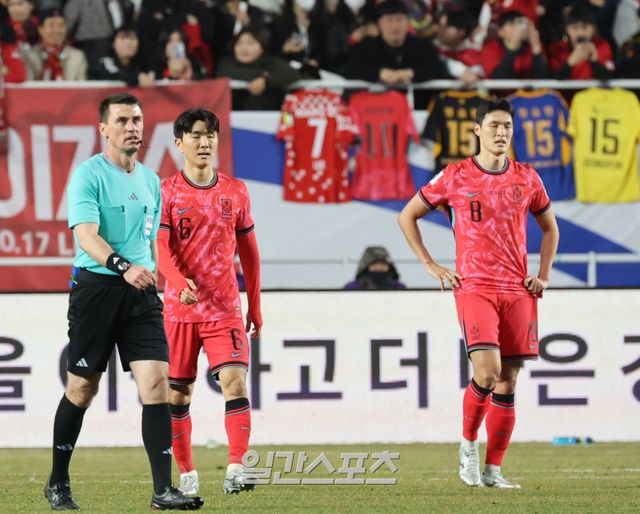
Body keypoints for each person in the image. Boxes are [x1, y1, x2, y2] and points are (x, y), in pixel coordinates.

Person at [44, 93, 204, 511]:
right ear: (104, 129)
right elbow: (86, 235)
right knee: (82, 388)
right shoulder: (88, 175)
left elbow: (153, 244)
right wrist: (123, 266)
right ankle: (58, 481)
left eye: (137, 119)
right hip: (97, 291)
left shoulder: (151, 181)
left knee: (157, 384)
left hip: (141, 295)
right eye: (122, 120)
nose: (132, 127)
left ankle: (162, 491)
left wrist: (166, 281)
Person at [398, 98, 559, 489]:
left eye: (507, 126)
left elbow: (550, 228)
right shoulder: (455, 176)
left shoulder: (527, 177)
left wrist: (543, 275)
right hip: (475, 287)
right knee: (487, 373)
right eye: (494, 126)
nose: (501, 133)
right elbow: (407, 215)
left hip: (517, 290)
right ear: (478, 130)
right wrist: (430, 264)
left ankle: (493, 471)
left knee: (509, 381)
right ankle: (468, 444)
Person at [157, 108, 262, 496]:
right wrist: (176, 280)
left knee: (235, 381)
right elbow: (159, 248)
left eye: (211, 135)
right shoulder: (166, 191)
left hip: (224, 309)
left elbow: (250, 252)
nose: (205, 143)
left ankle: (237, 467)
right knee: (177, 394)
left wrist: (255, 304)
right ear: (179, 142)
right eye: (196, 136)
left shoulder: (236, 191)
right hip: (179, 310)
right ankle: (186, 472)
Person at [342, 0, 449, 85]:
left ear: (408, 22)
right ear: (379, 24)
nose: (395, 26)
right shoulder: (367, 47)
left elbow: (438, 70)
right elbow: (352, 69)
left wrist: (412, 73)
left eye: (399, 20)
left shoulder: (423, 47)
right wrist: (379, 73)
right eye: (389, 20)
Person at [216, 27, 301, 110]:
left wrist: (266, 80)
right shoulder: (226, 62)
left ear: (262, 47)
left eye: (250, 43)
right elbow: (225, 73)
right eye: (239, 43)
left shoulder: (270, 62)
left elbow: (292, 74)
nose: (244, 48)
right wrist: (262, 76)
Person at [481, 10, 548, 79]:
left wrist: (536, 49)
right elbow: (498, 77)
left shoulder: (533, 47)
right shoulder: (491, 48)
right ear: (501, 32)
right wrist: (513, 46)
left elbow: (542, 78)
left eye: (522, 23)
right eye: (512, 24)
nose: (518, 27)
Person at [24, 8, 88, 80]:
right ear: (41, 30)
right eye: (51, 25)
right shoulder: (29, 56)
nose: (56, 30)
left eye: (61, 25)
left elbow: (82, 84)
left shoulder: (77, 56)